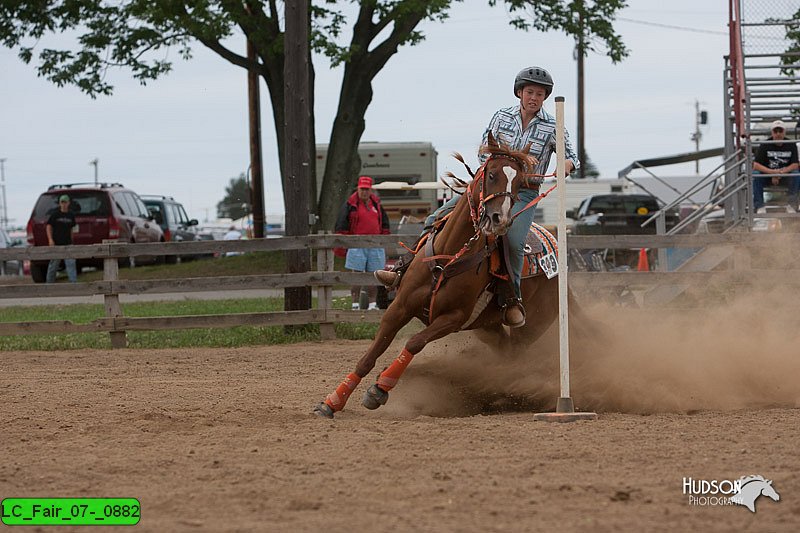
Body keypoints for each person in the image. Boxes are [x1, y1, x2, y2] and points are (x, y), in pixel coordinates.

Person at [375, 66, 579, 327]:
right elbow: (484, 150)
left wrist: (566, 165)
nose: (534, 98)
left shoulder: (552, 125)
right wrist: (493, 174)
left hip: (524, 191)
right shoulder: (501, 116)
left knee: (514, 241)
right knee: (437, 217)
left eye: (540, 94)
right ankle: (404, 271)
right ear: (519, 92)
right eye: (530, 92)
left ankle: (511, 299)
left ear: (545, 97)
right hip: (491, 186)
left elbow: (571, 155)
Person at [335, 176, 390, 310]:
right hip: (356, 245)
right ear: (358, 189)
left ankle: (372, 304)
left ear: (370, 190)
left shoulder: (376, 204)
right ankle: (355, 303)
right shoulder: (350, 204)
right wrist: (342, 245)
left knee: (374, 275)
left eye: (366, 189)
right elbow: (342, 223)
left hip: (375, 245)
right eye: (362, 189)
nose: (364, 192)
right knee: (357, 275)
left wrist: (384, 239)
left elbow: (384, 223)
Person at [753, 119, 799, 210]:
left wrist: (780, 173)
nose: (778, 134)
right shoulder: (765, 145)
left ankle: (791, 205)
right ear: (772, 132)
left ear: (784, 132)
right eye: (775, 131)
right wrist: (773, 173)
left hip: (785, 176)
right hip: (768, 176)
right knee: (755, 175)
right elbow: (756, 165)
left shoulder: (791, 144)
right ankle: (759, 206)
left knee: (797, 174)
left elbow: (795, 165)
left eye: (780, 131)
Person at [46, 194, 78, 283]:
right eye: (62, 202)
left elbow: (73, 228)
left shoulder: (71, 215)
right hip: (57, 244)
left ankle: (73, 284)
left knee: (71, 264)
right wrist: (50, 239)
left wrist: (72, 240)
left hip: (68, 243)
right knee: (53, 266)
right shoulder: (55, 214)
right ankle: (49, 285)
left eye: (65, 202)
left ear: (68, 203)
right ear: (59, 203)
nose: (63, 204)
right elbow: (48, 226)